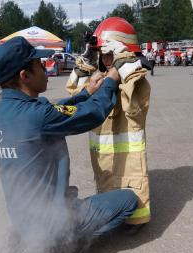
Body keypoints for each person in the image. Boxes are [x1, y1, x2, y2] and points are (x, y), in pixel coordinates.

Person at [0, 36, 138, 253]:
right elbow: (93, 113)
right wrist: (111, 80)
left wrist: (86, 91)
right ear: (25, 75)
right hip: (52, 221)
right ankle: (63, 251)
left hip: (22, 215)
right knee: (129, 201)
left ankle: (21, 238)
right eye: (39, 65)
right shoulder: (37, 117)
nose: (46, 69)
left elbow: (52, 113)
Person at [66, 17, 151, 234]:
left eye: (110, 54)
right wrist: (85, 66)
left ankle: (138, 221)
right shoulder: (100, 78)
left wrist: (123, 66)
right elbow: (75, 91)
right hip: (103, 155)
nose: (105, 60)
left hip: (129, 156)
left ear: (124, 53)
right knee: (107, 185)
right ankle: (114, 213)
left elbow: (134, 105)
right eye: (101, 54)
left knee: (132, 183)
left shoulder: (137, 81)